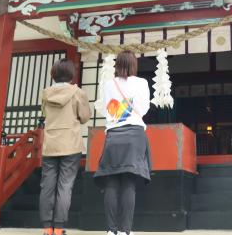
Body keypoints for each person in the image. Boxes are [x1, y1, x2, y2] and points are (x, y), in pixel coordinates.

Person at [94, 50, 151, 235]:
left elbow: (106, 109)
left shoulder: (109, 84)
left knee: (111, 181)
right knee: (128, 183)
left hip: (113, 135)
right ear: (134, 65)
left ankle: (111, 230)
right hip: (134, 134)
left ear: (117, 65)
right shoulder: (142, 83)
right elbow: (144, 108)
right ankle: (126, 230)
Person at [39, 58, 91, 235]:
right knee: (65, 186)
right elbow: (84, 117)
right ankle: (59, 228)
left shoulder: (46, 93)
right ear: (71, 74)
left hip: (51, 144)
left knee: (47, 186)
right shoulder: (77, 93)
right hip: (70, 144)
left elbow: (44, 113)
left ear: (53, 74)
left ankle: (47, 229)